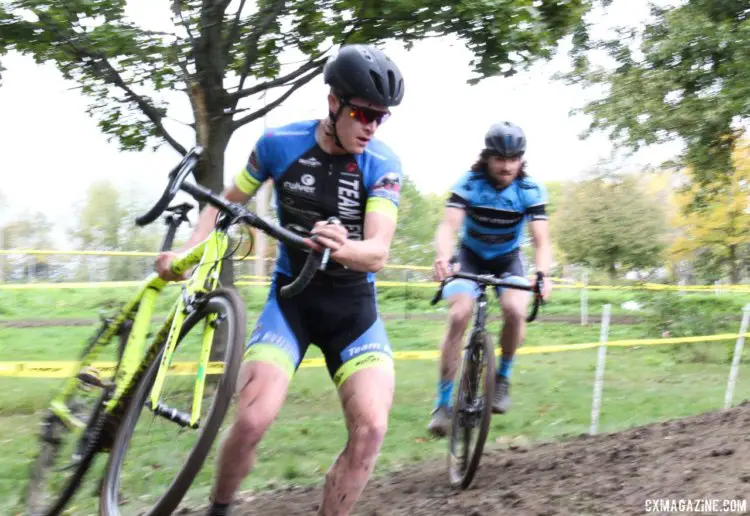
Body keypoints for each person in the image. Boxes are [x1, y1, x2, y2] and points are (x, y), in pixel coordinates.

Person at [154, 44, 406, 516]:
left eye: (381, 117)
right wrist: (187, 256)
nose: (371, 126)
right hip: (292, 304)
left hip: (354, 314)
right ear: (333, 102)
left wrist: (340, 247)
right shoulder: (278, 145)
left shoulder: (383, 165)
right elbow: (223, 205)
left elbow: (377, 252)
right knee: (251, 420)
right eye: (362, 113)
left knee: (371, 429)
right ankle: (220, 509)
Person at [426, 121, 552, 438]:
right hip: (469, 255)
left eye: (513, 159)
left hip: (508, 259)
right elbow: (448, 227)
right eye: (500, 159)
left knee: (514, 310)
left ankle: (503, 379)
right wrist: (442, 257)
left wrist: (543, 274)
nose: (506, 166)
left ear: (521, 159)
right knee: (459, 315)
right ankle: (442, 404)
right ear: (487, 157)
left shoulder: (530, 190)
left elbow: (541, 241)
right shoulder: (469, 183)